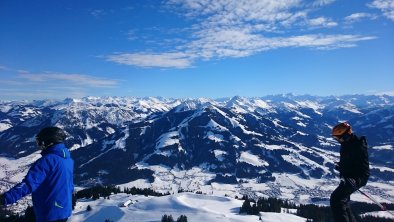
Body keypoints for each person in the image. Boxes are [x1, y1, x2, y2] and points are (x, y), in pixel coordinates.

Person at [0, 126, 74, 222]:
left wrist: (5, 198)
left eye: (40, 141)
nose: (38, 144)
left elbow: (28, 184)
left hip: (49, 213)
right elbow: (70, 186)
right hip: (63, 210)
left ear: (49, 141)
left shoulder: (47, 161)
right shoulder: (68, 160)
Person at [330, 122, 370, 222]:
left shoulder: (357, 146)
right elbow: (349, 162)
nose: (338, 140)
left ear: (346, 135)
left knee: (336, 199)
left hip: (356, 178)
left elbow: (361, 166)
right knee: (343, 200)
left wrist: (355, 180)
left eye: (339, 138)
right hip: (349, 177)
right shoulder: (347, 144)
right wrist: (341, 166)